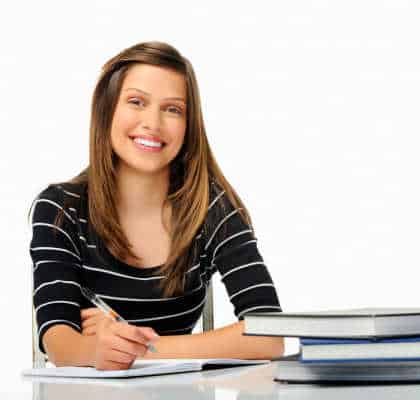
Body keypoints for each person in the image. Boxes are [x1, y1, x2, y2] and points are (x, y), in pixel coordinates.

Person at [28, 41, 284, 370]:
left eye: (173, 109)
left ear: (189, 125)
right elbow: (58, 341)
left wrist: (144, 348)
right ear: (107, 110)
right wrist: (93, 351)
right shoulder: (60, 209)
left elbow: (269, 335)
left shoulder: (212, 207)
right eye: (136, 102)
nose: (153, 123)